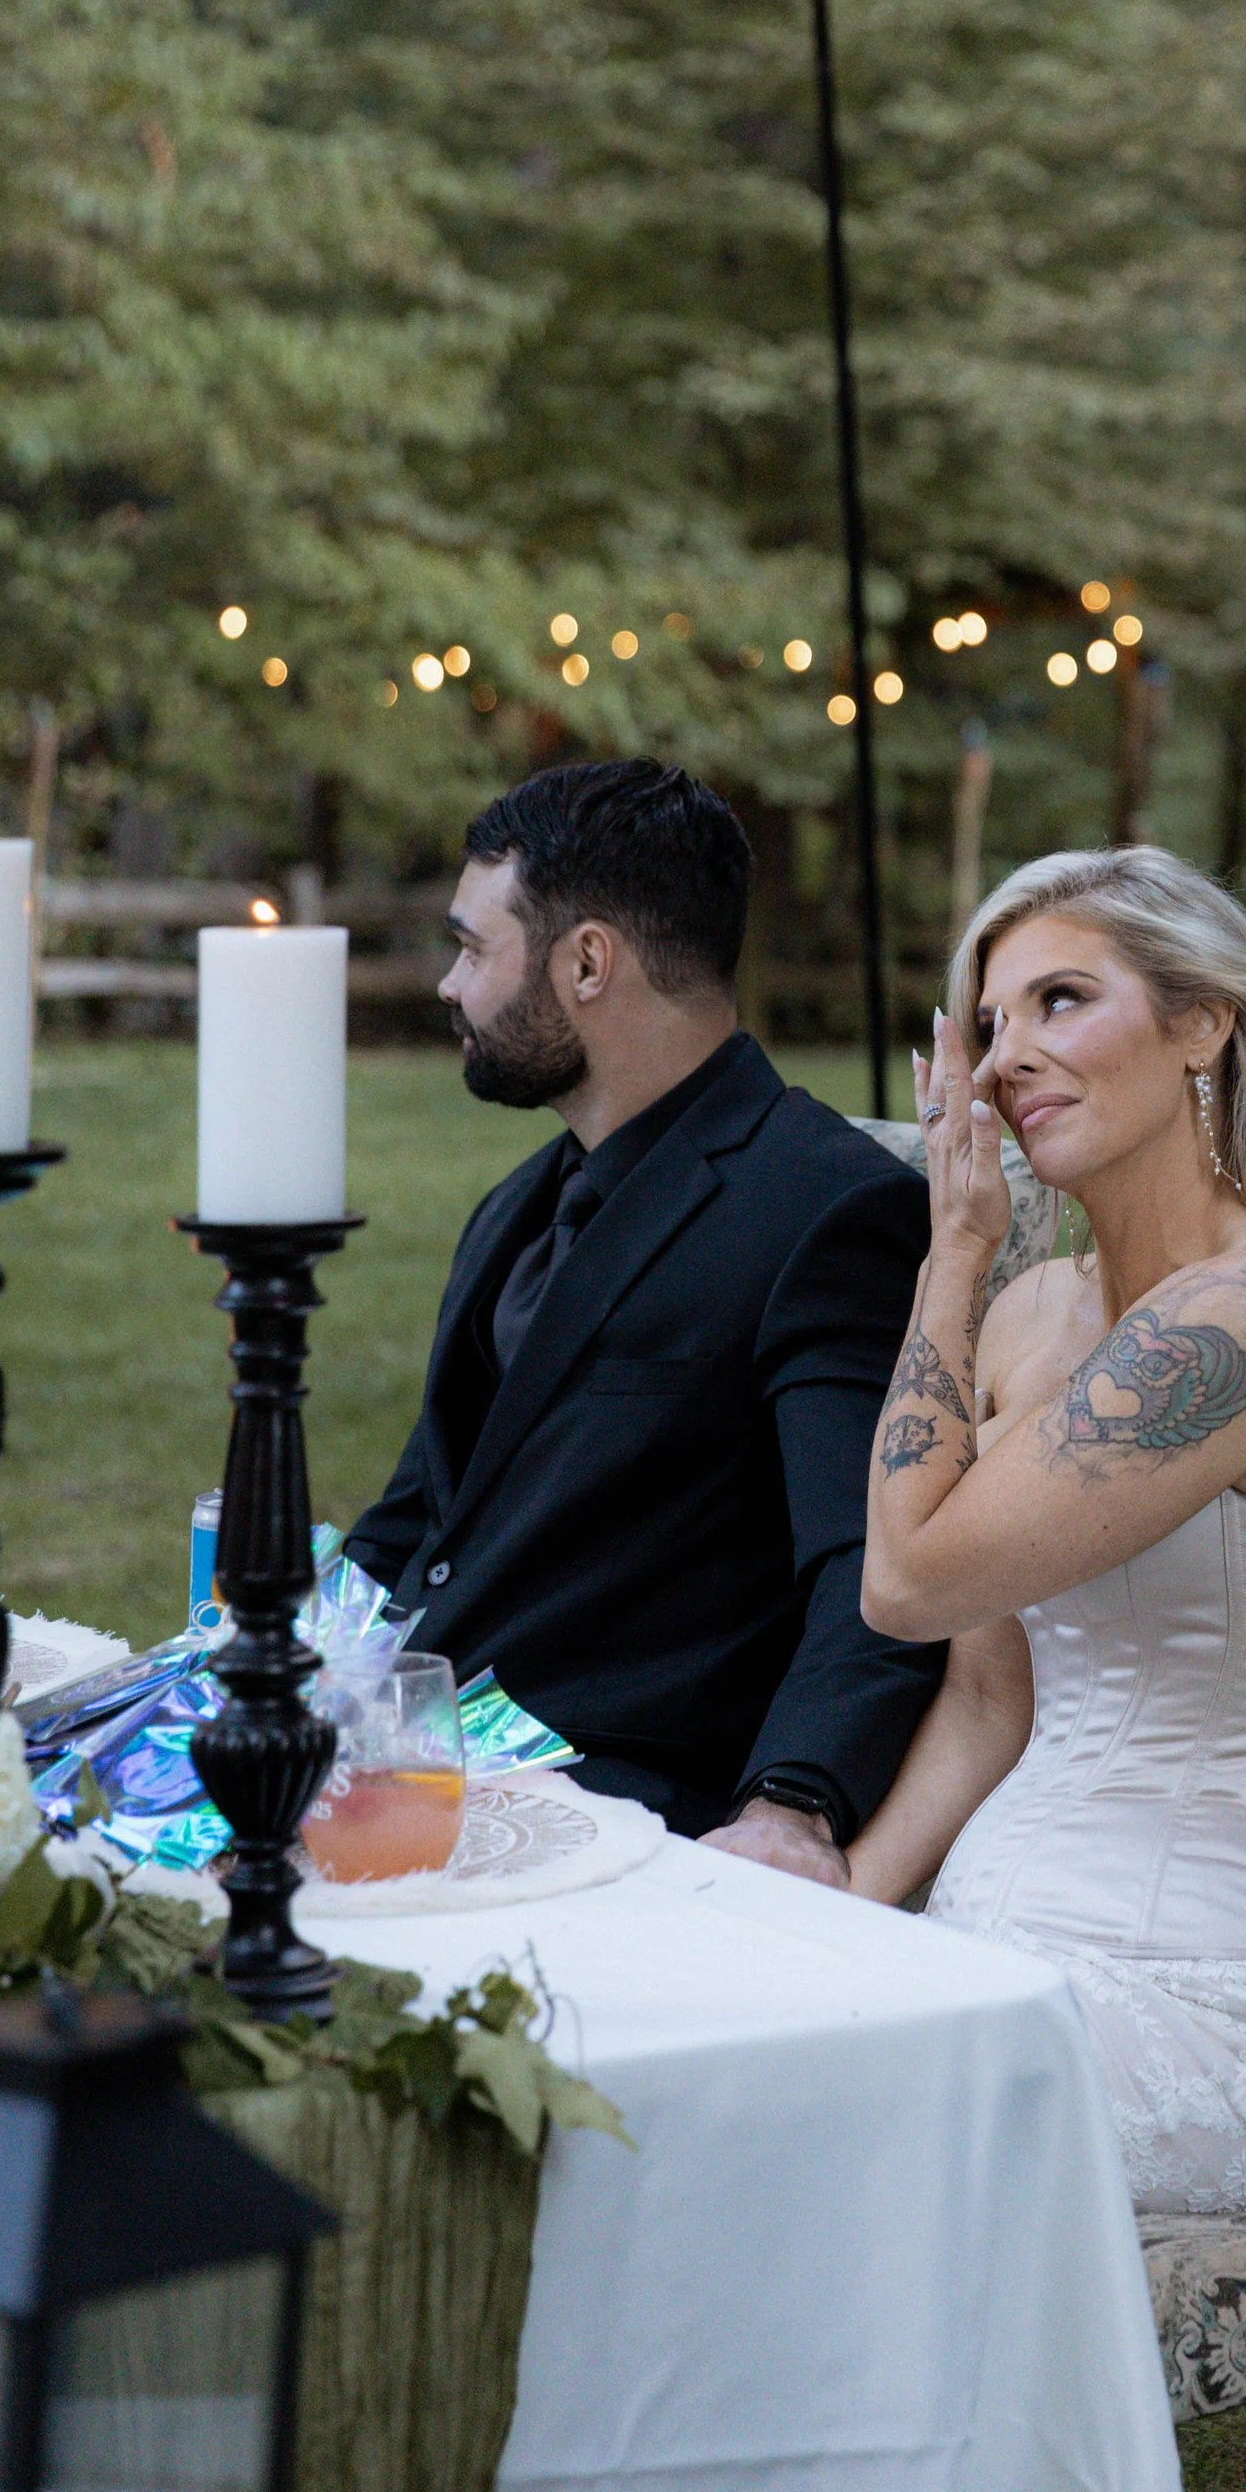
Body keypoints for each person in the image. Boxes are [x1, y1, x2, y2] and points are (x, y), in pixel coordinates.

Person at [843, 846, 1246, 2217]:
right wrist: (837, 1912)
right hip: (991, 1949)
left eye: (1062, 999)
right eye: (990, 1023)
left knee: (805, 2141)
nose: (1008, 1057)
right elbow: (988, 1696)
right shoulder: (1031, 1317)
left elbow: (904, 1578)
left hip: (1205, 2000)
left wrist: (948, 1254)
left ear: (1201, 1021)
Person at [345, 757, 941, 1879]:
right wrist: (241, 1672)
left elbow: (873, 1565)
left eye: (474, 948)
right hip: (404, 1780)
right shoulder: (519, 1204)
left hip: (610, 1821)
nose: (449, 987)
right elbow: (423, 1513)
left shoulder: (829, 1209)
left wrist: (792, 1803)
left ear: (585, 961)